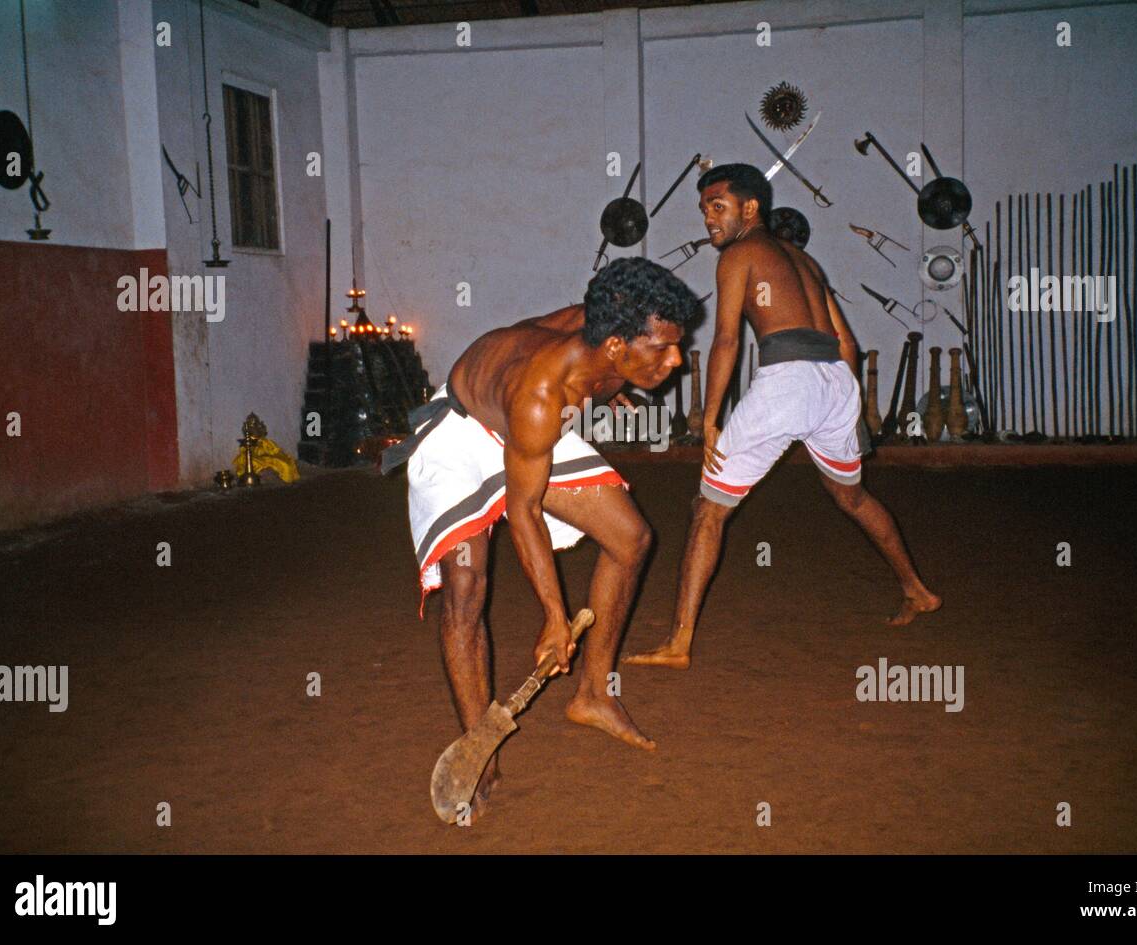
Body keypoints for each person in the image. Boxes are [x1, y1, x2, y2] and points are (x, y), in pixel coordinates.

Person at [382, 257, 699, 818]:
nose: (677, 359)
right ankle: (480, 747)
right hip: (462, 431)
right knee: (465, 588)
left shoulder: (604, 329)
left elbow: (572, 382)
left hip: (528, 427)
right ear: (618, 346)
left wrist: (610, 389)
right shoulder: (541, 392)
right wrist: (554, 616)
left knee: (630, 539)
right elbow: (522, 510)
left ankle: (594, 694)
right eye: (664, 348)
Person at [625, 164, 941, 672]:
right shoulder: (806, 261)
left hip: (789, 382)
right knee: (853, 498)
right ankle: (917, 590)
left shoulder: (739, 255)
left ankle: (679, 643)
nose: (708, 217)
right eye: (705, 207)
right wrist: (844, 404)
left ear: (750, 208)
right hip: (835, 380)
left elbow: (727, 338)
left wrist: (709, 420)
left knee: (708, 510)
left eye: (718, 206)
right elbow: (849, 344)